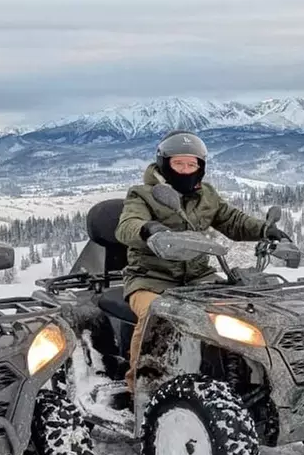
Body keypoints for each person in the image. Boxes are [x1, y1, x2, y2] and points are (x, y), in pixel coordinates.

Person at [114, 130, 288, 392]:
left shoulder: (206, 195)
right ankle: (140, 387)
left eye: (191, 164)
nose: (186, 171)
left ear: (201, 167)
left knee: (239, 310)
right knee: (155, 315)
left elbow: (232, 221)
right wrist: (148, 229)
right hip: (151, 279)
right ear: (164, 164)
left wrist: (265, 230)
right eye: (178, 164)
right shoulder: (143, 194)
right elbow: (127, 225)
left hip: (198, 278)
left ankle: (243, 375)